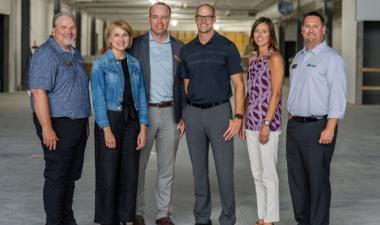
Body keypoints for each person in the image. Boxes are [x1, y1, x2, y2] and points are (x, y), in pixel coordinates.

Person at [180, 4, 245, 225]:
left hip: (219, 113)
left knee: (224, 171)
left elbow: (238, 84)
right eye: (200, 17)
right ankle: (202, 217)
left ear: (214, 19)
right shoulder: (187, 50)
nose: (204, 21)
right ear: (195, 19)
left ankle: (228, 218)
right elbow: (186, 85)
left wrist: (238, 116)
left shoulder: (227, 47)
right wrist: (185, 114)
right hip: (193, 115)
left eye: (208, 17)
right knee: (199, 172)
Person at [28, 12, 91, 225]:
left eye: (72, 27)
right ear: (54, 30)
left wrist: (84, 121)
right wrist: (47, 127)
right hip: (57, 123)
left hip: (76, 124)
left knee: (70, 175)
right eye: (63, 27)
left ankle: (66, 218)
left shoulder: (74, 54)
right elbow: (38, 93)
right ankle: (55, 221)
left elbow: (78, 88)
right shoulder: (46, 55)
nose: (69, 31)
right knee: (57, 176)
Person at [287, 11, 347, 225]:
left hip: (318, 126)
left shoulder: (332, 59)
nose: (311, 30)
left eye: (315, 26)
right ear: (302, 30)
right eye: (307, 26)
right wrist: (292, 112)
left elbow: (338, 97)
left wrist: (330, 127)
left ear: (323, 30)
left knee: (318, 180)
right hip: (295, 126)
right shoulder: (299, 58)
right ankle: (302, 221)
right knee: (297, 180)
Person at [129, 2, 185, 225]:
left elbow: (186, 84)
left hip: (171, 113)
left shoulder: (180, 48)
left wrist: (185, 115)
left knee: (167, 168)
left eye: (164, 17)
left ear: (169, 19)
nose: (159, 21)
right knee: (138, 166)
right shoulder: (137, 46)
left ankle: (163, 214)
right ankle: (137, 211)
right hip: (144, 114)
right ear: (149, 18)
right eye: (155, 17)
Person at [91, 20, 149, 225]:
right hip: (110, 120)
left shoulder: (135, 64)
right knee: (108, 175)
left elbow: (141, 94)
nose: (121, 39)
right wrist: (106, 129)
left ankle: (126, 218)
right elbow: (98, 98)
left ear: (130, 39)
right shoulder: (101, 63)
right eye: (117, 35)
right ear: (109, 38)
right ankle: (107, 220)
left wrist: (143, 127)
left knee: (130, 174)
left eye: (125, 35)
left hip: (132, 121)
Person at [239, 17, 284, 225]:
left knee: (269, 174)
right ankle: (262, 216)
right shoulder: (253, 58)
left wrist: (266, 122)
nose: (260, 35)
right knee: (257, 174)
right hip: (251, 124)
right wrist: (243, 120)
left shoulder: (274, 58)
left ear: (270, 34)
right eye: (257, 31)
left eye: (264, 31)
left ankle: (271, 218)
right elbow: (249, 93)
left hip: (268, 124)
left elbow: (275, 93)